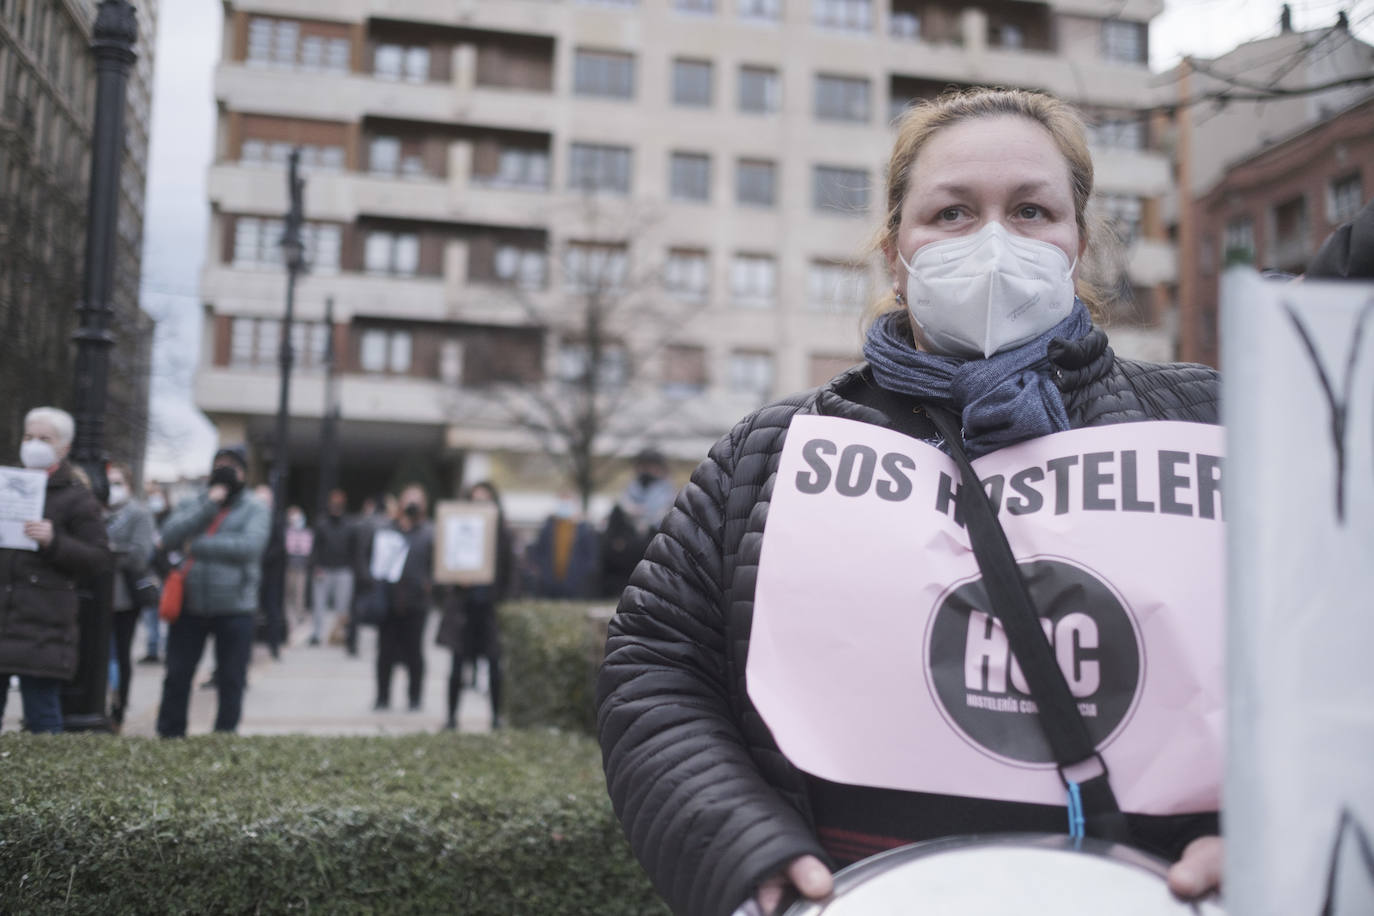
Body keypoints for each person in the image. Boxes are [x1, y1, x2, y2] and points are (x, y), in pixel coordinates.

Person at [596, 88, 1225, 916]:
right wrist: (745, 856)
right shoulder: (773, 454)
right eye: (953, 213)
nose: (995, 241)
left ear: (1078, 241)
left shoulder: (1211, 427)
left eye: (1032, 210)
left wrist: (1273, 834)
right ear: (897, 251)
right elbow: (656, 666)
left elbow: (1331, 667)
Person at [0, 407, 110, 734]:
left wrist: (54, 541)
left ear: (63, 447)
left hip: (42, 626)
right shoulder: (7, 486)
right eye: (28, 437)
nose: (33, 444)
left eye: (44, 439)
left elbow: (98, 558)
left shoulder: (77, 498)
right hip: (5, 614)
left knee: (42, 717)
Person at [155, 446, 270, 737]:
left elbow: (249, 548)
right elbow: (169, 535)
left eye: (232, 466)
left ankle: (223, 737)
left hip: (235, 606)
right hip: (190, 604)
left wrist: (197, 545)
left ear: (244, 472)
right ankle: (169, 737)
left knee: (232, 678)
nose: (225, 471)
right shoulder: (195, 501)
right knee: (178, 675)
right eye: (220, 465)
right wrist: (209, 504)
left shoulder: (255, 507)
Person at [436, 481, 513, 730]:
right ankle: (451, 718)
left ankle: (495, 717)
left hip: (489, 609)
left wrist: (504, 601)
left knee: (494, 667)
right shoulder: (458, 529)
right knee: (457, 667)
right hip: (463, 608)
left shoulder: (502, 533)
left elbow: (511, 573)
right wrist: (455, 581)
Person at [105, 462, 157, 729]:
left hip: (124, 597)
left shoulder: (138, 513)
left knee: (120, 654)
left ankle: (119, 707)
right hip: (96, 596)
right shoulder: (96, 510)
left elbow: (139, 554)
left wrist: (108, 551)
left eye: (118, 482)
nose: (112, 488)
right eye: (108, 482)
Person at [373, 484, 434, 711]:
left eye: (417, 500)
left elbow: (438, 566)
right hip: (389, 602)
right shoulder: (387, 530)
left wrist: (429, 586)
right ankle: (382, 697)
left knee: (414, 653)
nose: (412, 504)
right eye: (408, 499)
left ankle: (415, 697)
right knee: (385, 652)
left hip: (416, 603)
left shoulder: (429, 532)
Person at [310, 488, 355, 648]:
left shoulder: (349, 525)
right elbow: (315, 547)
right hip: (324, 568)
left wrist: (352, 568)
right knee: (319, 604)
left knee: (342, 605)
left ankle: (339, 634)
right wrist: (316, 566)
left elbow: (353, 548)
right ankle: (317, 634)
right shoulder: (322, 523)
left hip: (343, 569)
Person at [138, 480, 172, 664]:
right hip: (149, 573)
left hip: (166, 573)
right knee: (150, 615)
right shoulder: (146, 518)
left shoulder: (171, 519)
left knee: (165, 615)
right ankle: (152, 649)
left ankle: (167, 650)